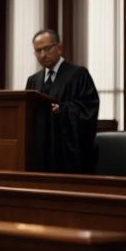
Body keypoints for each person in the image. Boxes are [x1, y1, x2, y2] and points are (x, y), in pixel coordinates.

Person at [25, 29, 99, 173]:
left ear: (59, 48)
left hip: (67, 153)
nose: (42, 55)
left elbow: (89, 109)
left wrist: (64, 110)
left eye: (47, 49)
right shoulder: (33, 80)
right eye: (38, 51)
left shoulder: (78, 75)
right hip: (40, 152)